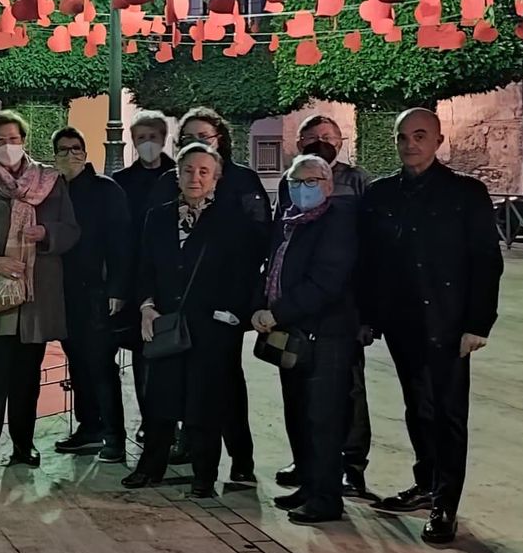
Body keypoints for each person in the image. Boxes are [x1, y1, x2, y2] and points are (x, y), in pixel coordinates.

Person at [359, 108, 503, 545]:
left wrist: (478, 323)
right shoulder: (381, 195)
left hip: (449, 321)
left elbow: (486, 262)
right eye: (402, 136)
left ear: (438, 141)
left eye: (420, 135)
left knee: (448, 414)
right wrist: (368, 316)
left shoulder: (465, 193)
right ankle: (425, 483)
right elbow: (369, 263)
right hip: (403, 322)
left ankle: (446, 503)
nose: (410, 144)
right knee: (417, 408)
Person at [126, 143, 264, 497]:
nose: (195, 178)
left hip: (213, 327)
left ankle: (204, 474)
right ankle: (151, 466)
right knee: (159, 398)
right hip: (166, 324)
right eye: (188, 170)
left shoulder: (233, 221)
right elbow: (143, 267)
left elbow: (245, 274)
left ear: (216, 179)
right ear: (177, 175)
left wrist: (231, 315)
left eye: (204, 172)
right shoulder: (157, 217)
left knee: (205, 403)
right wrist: (145, 306)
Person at [0, 111, 80, 474]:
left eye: (12, 139)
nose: (7, 147)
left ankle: (24, 446)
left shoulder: (50, 181)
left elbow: (71, 230)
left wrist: (47, 235)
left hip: (34, 301)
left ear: (23, 141)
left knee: (27, 382)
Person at [252, 155, 359, 524]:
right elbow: (271, 271)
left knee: (323, 418)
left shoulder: (339, 222)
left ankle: (327, 498)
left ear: (328, 185)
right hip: (295, 336)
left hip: (326, 335)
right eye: (295, 182)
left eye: (311, 181)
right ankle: (310, 485)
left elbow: (326, 282)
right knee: (298, 413)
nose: (302, 188)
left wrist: (277, 312)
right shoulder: (290, 222)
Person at [272, 114, 374, 499]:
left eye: (327, 137)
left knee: (342, 397)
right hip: (295, 322)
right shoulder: (290, 189)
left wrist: (367, 317)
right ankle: (310, 470)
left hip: (331, 322)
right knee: (300, 398)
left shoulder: (355, 187)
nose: (320, 142)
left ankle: (347, 468)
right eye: (311, 137)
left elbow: (350, 266)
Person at [51, 127, 131, 463]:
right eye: (63, 149)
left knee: (100, 365)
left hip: (97, 292)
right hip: (63, 293)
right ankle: (89, 427)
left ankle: (114, 435)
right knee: (78, 363)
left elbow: (121, 242)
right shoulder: (52, 191)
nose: (70, 155)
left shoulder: (105, 190)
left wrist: (117, 288)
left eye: (76, 148)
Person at [111, 112, 175, 434]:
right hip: (139, 279)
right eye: (140, 138)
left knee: (176, 354)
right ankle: (150, 421)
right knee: (143, 353)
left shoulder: (179, 175)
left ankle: (175, 422)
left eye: (152, 137)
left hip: (175, 280)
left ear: (163, 139)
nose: (146, 144)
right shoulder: (121, 181)